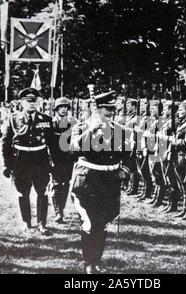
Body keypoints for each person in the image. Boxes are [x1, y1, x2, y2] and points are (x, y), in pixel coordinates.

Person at [69, 90, 131, 274]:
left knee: (103, 223)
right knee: (89, 222)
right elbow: (73, 150)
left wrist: (125, 171)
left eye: (112, 109)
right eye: (105, 109)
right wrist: (92, 130)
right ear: (94, 110)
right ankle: (89, 262)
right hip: (88, 180)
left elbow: (128, 156)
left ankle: (97, 261)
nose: (110, 113)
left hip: (109, 182)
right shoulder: (80, 128)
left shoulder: (119, 130)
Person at [1, 88, 54, 235]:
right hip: (21, 161)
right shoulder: (13, 119)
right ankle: (26, 222)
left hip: (40, 160)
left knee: (42, 192)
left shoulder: (46, 119)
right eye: (28, 100)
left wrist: (54, 164)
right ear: (21, 102)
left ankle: (42, 223)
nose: (32, 103)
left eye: (34, 100)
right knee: (22, 192)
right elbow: (5, 143)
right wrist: (7, 164)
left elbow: (53, 144)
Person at [50, 97, 75, 224]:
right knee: (56, 185)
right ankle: (58, 212)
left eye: (66, 107)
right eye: (61, 107)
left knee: (66, 184)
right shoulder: (52, 123)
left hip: (68, 159)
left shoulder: (72, 123)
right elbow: (49, 142)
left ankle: (61, 209)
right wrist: (50, 159)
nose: (64, 109)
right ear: (57, 109)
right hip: (55, 159)